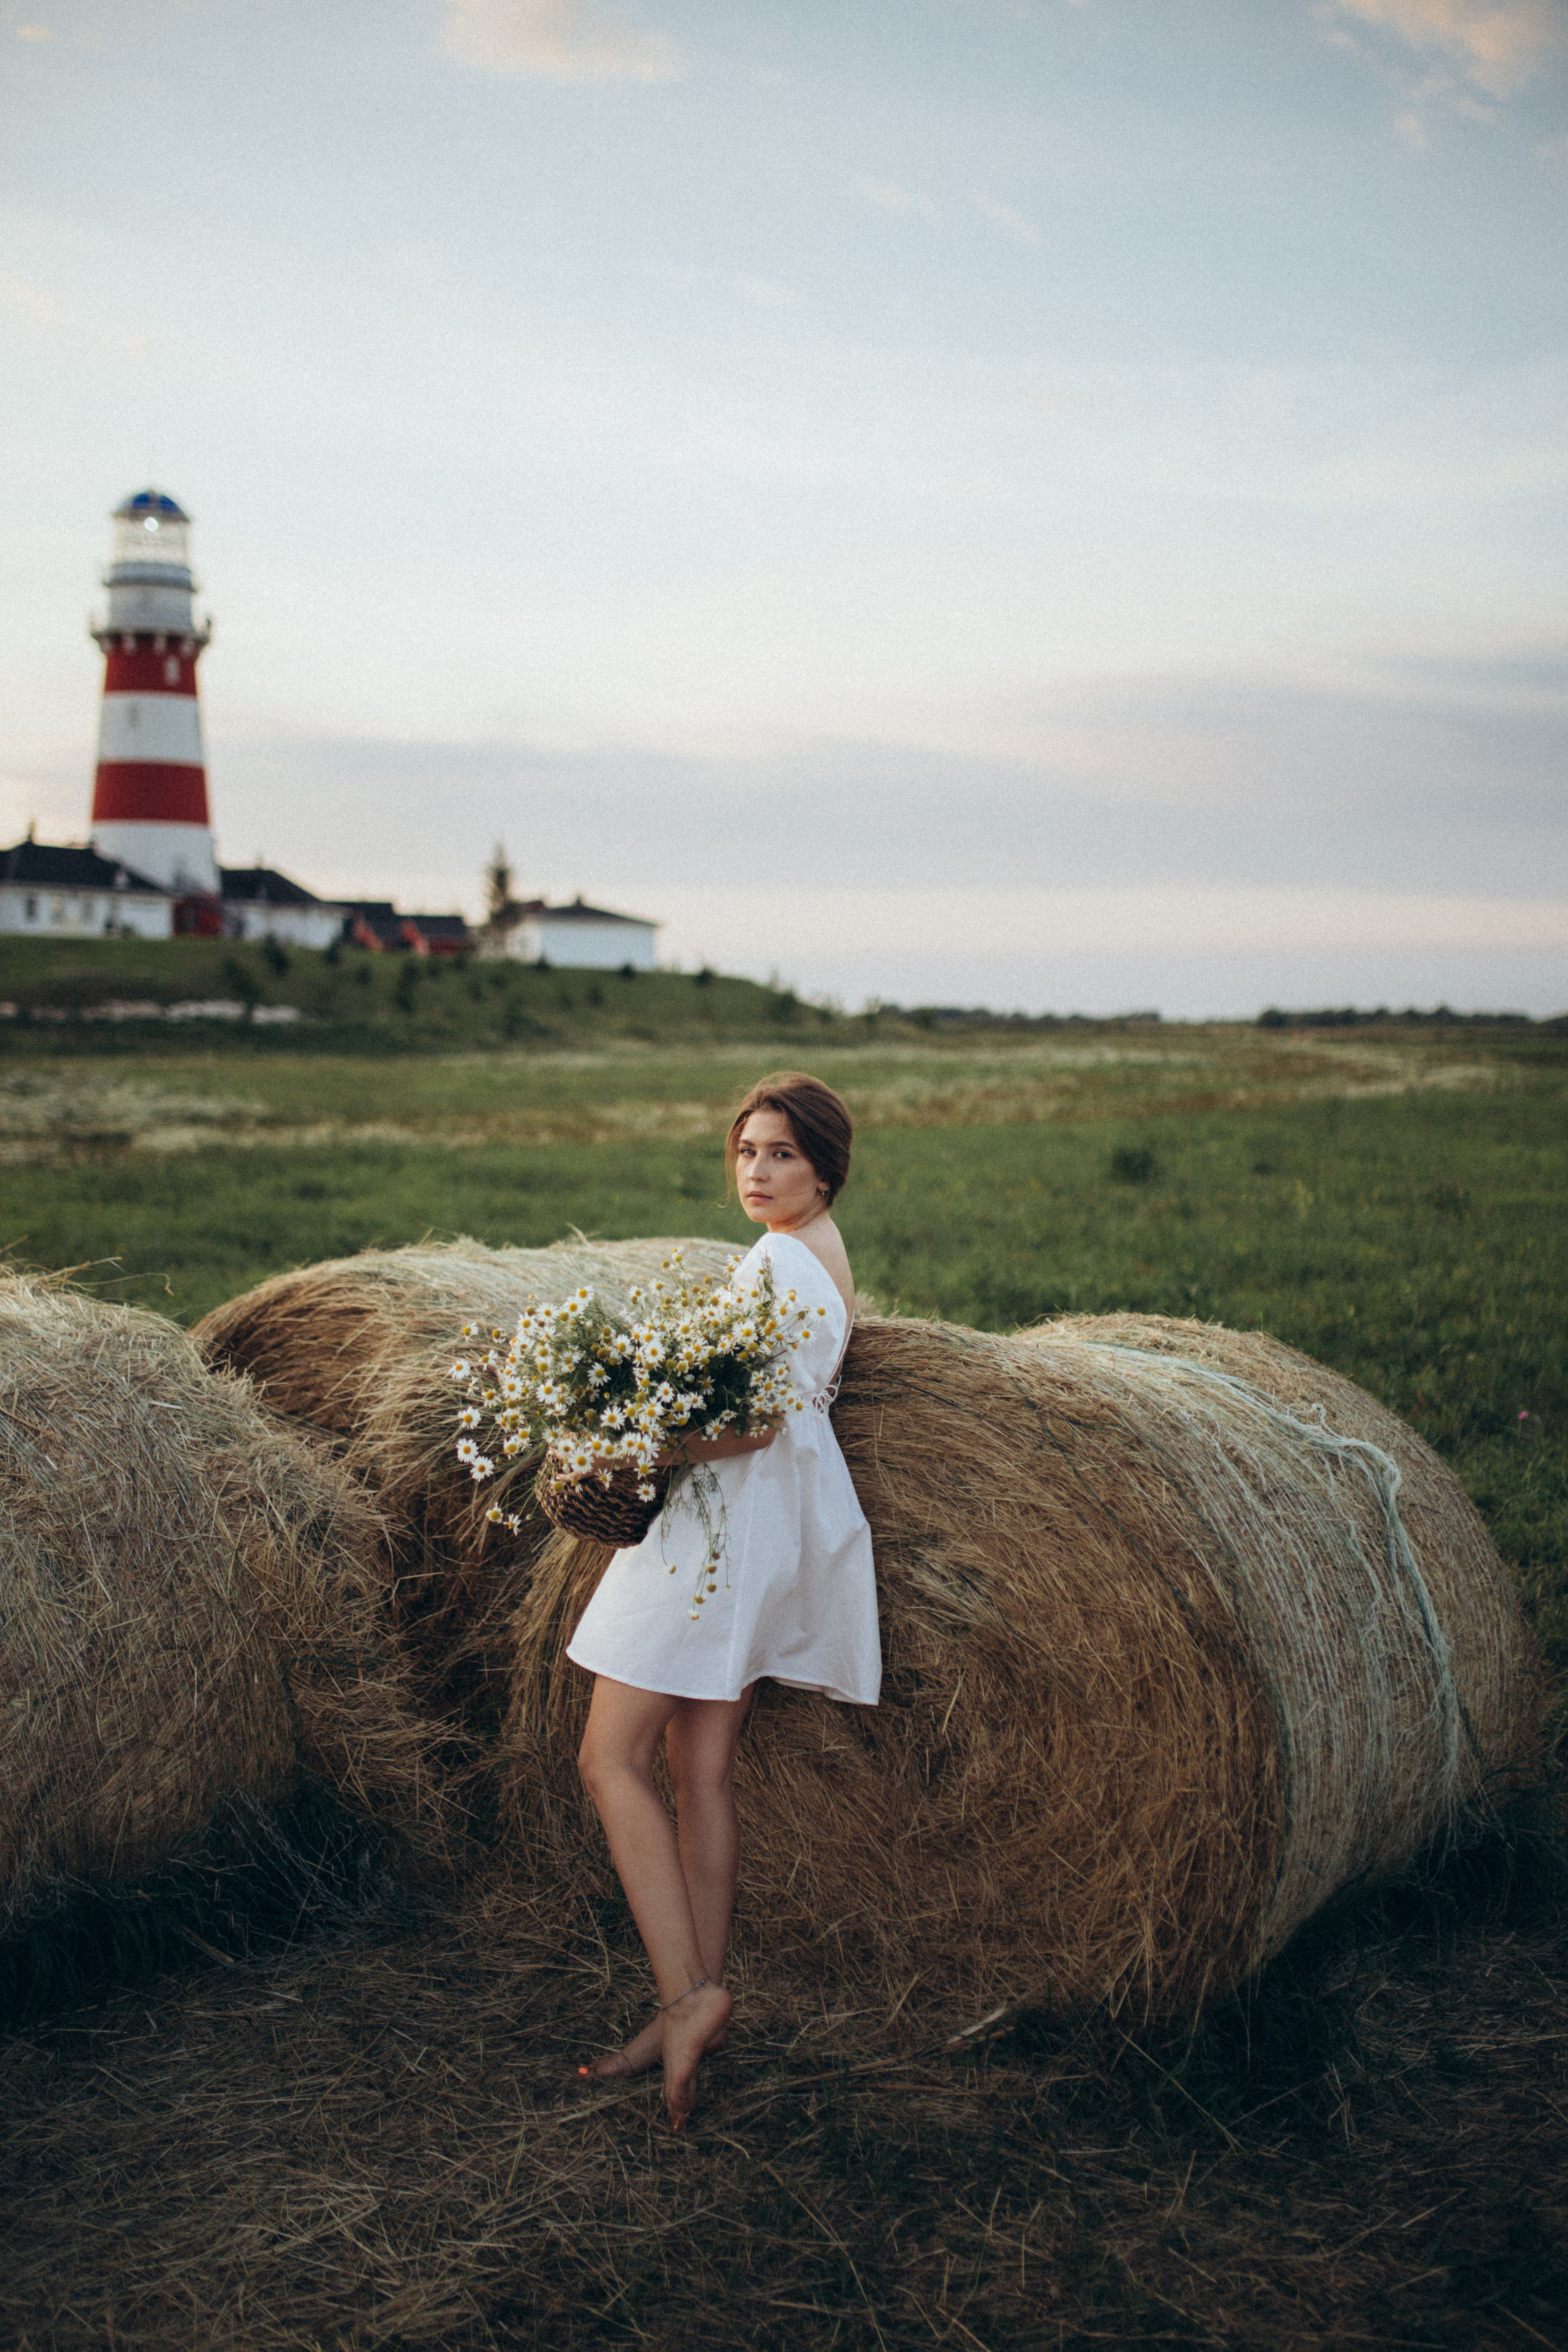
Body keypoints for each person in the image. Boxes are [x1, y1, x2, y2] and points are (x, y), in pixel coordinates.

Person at [567, 1070, 881, 2128]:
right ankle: (679, 2012)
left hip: (720, 1533)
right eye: (747, 1152)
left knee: (609, 1760)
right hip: (772, 1528)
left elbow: (747, 1428)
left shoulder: (785, 1257)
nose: (758, 1170)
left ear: (825, 1164)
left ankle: (690, 1995)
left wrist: (635, 1441)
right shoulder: (820, 1253)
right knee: (699, 1771)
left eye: (782, 1153)